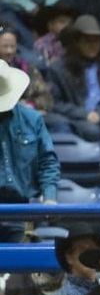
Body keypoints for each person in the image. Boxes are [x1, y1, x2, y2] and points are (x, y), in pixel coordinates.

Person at [0, 60, 60, 243]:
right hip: (18, 210)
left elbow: (48, 161)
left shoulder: (32, 119)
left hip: (21, 210)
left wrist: (49, 197)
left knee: (20, 268)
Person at [48, 14, 100, 142]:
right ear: (76, 42)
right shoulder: (58, 69)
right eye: (87, 41)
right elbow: (54, 103)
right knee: (92, 131)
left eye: (96, 40)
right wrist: (85, 114)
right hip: (80, 118)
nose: (93, 45)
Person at [0, 23, 55, 118]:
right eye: (5, 46)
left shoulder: (25, 67)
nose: (9, 51)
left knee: (60, 123)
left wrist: (30, 106)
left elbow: (46, 97)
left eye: (12, 46)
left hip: (30, 115)